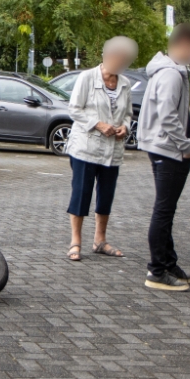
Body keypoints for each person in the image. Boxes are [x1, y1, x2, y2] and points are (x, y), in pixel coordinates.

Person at [137, 23, 190, 291]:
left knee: (167, 209)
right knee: (164, 210)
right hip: (168, 149)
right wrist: (184, 145)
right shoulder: (171, 75)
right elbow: (167, 115)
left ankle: (168, 262)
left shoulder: (172, 71)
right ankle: (157, 270)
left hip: (165, 147)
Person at [64, 36, 139, 261]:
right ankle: (75, 242)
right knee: (81, 193)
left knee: (106, 195)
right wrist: (98, 124)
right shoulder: (87, 78)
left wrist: (125, 127)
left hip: (112, 150)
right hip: (86, 147)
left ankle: (100, 240)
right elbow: (74, 109)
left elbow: (128, 114)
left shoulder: (124, 83)